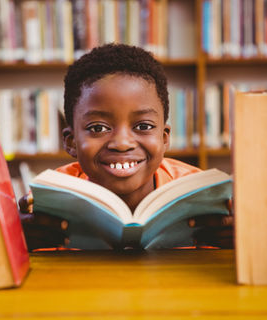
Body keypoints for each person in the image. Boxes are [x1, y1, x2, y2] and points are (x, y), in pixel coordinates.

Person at [19, 43, 233, 251]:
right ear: (71, 142)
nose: (122, 144)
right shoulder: (51, 199)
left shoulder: (197, 193)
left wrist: (237, 241)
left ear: (164, 138)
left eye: (143, 126)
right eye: (97, 128)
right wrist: (17, 241)